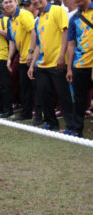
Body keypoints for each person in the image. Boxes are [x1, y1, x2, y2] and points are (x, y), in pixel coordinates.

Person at [28, 0, 74, 132]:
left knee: (63, 96)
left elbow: (65, 32)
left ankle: (71, 127)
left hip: (58, 63)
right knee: (44, 95)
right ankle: (51, 123)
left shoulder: (57, 10)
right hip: (42, 65)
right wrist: (32, 65)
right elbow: (38, 45)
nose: (35, 2)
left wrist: (61, 55)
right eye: (32, 1)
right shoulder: (38, 19)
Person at [5, 0, 37, 121]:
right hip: (22, 58)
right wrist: (9, 58)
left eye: (10, 1)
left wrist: (31, 52)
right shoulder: (10, 20)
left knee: (37, 87)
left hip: (32, 58)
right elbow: (12, 41)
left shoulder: (24, 14)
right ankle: (26, 114)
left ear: (16, 2)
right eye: (5, 2)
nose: (8, 4)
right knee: (25, 88)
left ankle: (39, 115)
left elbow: (33, 32)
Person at [66, 0, 93, 136]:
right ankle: (76, 130)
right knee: (78, 100)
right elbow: (71, 44)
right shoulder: (75, 18)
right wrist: (70, 69)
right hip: (79, 65)